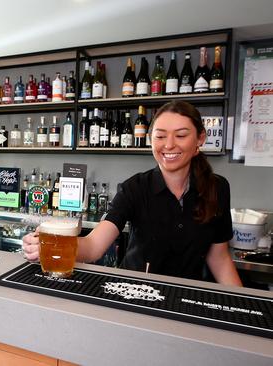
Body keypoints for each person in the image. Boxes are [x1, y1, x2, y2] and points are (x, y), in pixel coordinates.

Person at [23, 101, 242, 286]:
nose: (169, 145)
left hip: (187, 297)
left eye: (181, 135)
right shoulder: (135, 188)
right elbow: (94, 247)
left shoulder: (217, 187)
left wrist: (243, 305)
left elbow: (219, 257)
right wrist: (50, 245)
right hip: (136, 293)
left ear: (200, 139)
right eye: (160, 136)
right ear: (150, 139)